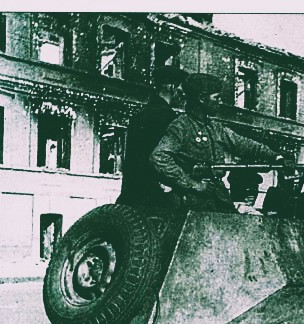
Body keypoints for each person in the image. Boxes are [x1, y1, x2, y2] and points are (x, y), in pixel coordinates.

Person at [151, 73, 283, 213]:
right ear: (202, 98)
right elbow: (159, 157)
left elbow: (243, 144)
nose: (220, 102)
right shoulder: (181, 126)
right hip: (192, 201)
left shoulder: (215, 128)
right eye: (216, 97)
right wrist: (193, 184)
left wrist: (276, 156)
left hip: (218, 196)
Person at [116, 65, 188, 207]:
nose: (183, 95)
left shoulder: (140, 114)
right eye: (181, 88)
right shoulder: (168, 117)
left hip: (133, 192)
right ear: (172, 87)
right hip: (156, 196)